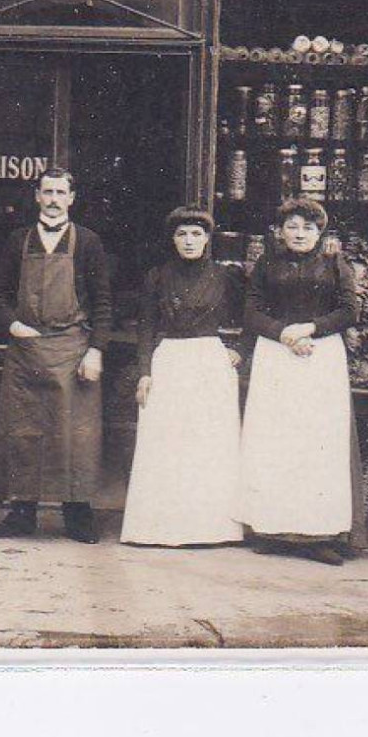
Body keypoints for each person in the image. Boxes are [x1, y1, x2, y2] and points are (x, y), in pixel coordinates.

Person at [0, 167, 112, 543]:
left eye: (61, 192)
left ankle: (78, 515)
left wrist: (96, 350)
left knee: (76, 435)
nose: (54, 200)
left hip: (73, 348)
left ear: (72, 198)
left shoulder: (88, 242)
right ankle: (21, 513)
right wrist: (12, 324)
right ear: (36, 196)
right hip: (26, 349)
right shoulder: (17, 240)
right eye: (47, 192)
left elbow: (104, 302)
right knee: (24, 431)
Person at [238, 198, 362, 564]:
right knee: (276, 441)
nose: (300, 234)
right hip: (277, 358)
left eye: (308, 227)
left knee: (317, 443)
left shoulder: (334, 263)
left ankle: (319, 535)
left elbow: (350, 309)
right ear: (280, 231)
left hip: (320, 358)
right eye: (292, 226)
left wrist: (311, 328)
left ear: (320, 232)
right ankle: (274, 529)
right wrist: (282, 333)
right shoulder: (267, 263)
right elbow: (251, 311)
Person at [120, 206, 245, 547]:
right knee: (168, 443)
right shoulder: (157, 277)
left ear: (208, 238)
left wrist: (239, 349)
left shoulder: (225, 276)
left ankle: (211, 528)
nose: (189, 241)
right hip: (171, 360)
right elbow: (146, 327)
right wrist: (144, 372)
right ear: (172, 239)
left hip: (209, 361)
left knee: (207, 446)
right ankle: (161, 528)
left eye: (196, 234)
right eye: (182, 234)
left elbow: (252, 314)